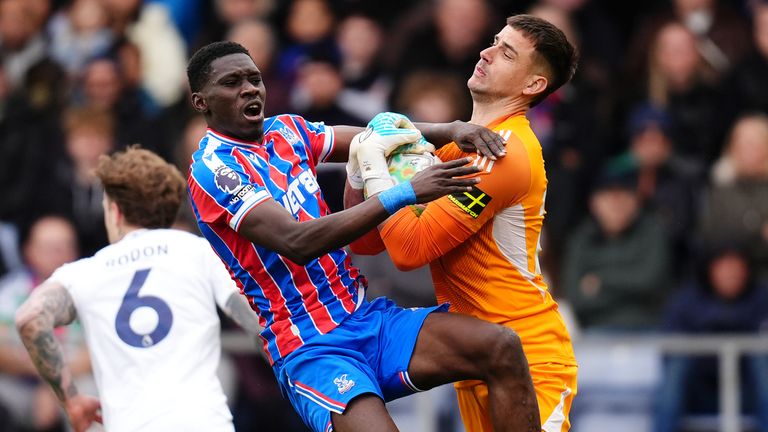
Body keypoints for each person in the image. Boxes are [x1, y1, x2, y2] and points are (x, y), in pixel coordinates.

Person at [185, 41, 541, 432]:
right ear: (201, 102)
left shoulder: (285, 131)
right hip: (311, 347)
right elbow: (297, 241)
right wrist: (404, 193)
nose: (249, 89)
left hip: (366, 318)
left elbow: (368, 139)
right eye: (232, 83)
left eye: (254, 79)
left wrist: (449, 129)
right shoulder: (214, 170)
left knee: (501, 347)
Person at [346, 14, 579, 431]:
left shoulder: (503, 153)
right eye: (493, 41)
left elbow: (407, 249)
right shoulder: (460, 147)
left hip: (529, 361)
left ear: (533, 85)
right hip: (476, 361)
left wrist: (375, 162)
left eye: (506, 53)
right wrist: (358, 170)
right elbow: (366, 244)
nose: (486, 53)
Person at [15, 146, 264, 432]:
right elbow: (255, 317)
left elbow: (29, 319)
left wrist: (71, 400)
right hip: (204, 422)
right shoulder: (200, 252)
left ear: (115, 210)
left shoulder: (84, 273)